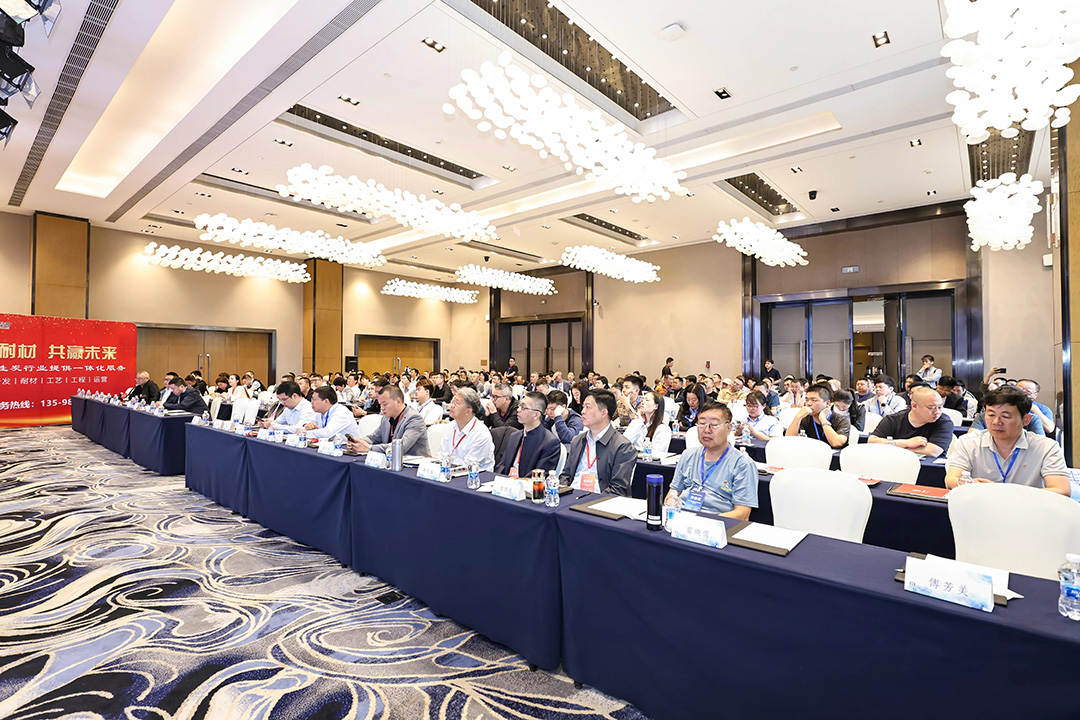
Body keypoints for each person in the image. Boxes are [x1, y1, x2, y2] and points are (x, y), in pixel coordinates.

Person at [945, 386, 1069, 495]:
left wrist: (1007, 493)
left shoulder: (1046, 447)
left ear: (1026, 419)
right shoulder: (969, 442)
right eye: (991, 415)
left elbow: (1062, 490)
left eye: (1005, 416)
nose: (996, 422)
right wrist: (968, 484)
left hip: (1027, 509)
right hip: (982, 507)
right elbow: (951, 480)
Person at [665, 402, 758, 519]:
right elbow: (673, 493)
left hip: (718, 522)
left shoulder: (742, 463)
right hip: (682, 517)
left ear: (728, 428)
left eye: (714, 425)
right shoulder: (688, 455)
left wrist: (707, 522)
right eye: (702, 424)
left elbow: (743, 514)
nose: (707, 430)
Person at [560, 389, 637, 496]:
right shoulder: (578, 440)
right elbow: (565, 476)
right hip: (571, 497)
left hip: (600, 500)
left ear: (604, 413)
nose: (582, 411)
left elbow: (618, 489)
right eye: (583, 407)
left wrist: (589, 501)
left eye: (588, 407)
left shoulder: (623, 447)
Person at [868, 386, 953, 457]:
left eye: (940, 407)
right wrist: (906, 443)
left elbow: (933, 451)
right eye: (931, 407)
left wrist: (892, 446)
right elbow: (872, 441)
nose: (937, 412)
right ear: (914, 406)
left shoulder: (944, 422)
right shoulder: (893, 419)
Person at [348, 384, 430, 457]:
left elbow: (400, 447)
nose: (381, 408)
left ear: (398, 402)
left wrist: (369, 448)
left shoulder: (414, 419)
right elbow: (374, 438)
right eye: (380, 404)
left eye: (384, 404)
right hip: (390, 461)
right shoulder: (386, 418)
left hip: (414, 465)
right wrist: (358, 442)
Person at [495, 392, 562, 477]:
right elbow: (502, 466)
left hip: (526, 484)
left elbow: (539, 476)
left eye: (523, 407)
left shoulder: (549, 442)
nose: (518, 410)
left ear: (536, 415)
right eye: (519, 406)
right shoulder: (514, 436)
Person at [440, 387, 495, 470]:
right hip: (450, 471)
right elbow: (441, 454)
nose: (451, 406)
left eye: (456, 403)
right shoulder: (450, 426)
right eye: (452, 402)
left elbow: (469, 465)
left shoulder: (480, 434)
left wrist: (447, 462)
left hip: (474, 475)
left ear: (468, 411)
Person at [786, 383, 849, 448]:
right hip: (810, 453)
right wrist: (798, 417)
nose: (808, 403)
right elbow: (789, 440)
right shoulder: (805, 418)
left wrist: (823, 420)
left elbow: (837, 443)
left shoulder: (841, 420)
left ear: (827, 403)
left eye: (814, 400)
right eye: (807, 400)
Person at [623, 389, 672, 453]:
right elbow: (623, 444)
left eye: (647, 400)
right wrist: (640, 422)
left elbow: (657, 452)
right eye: (643, 399)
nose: (642, 402)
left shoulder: (662, 429)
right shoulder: (637, 423)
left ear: (656, 406)